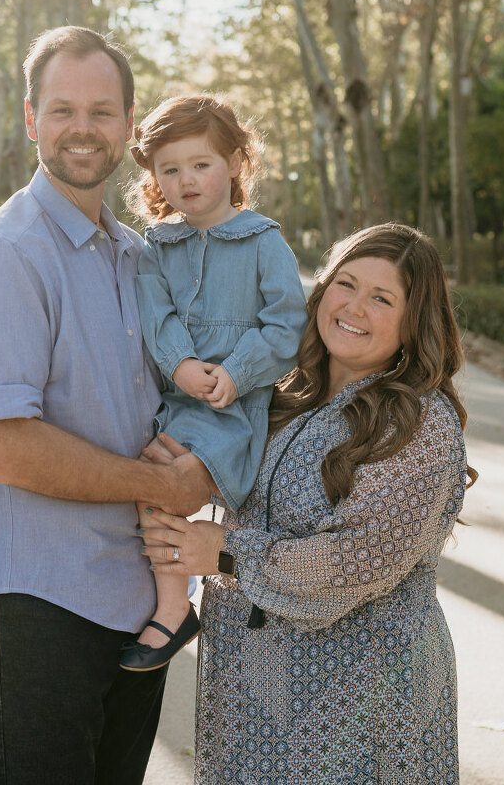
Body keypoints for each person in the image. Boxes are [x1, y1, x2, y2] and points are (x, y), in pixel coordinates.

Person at [0, 25, 217, 785]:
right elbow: (4, 446)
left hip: (133, 604)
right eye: (62, 110)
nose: (82, 128)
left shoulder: (139, 257)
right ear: (31, 120)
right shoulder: (5, 253)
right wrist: (163, 486)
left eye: (102, 111)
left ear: (128, 128)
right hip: (32, 603)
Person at [138, 222, 474, 784]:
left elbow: (355, 560)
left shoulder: (419, 422)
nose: (355, 307)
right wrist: (184, 469)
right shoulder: (281, 395)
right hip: (250, 697)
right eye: (345, 284)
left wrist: (222, 552)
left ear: (414, 322)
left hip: (362, 709)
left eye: (382, 298)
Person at [117, 94, 307, 672]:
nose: (186, 180)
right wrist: (178, 364)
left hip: (233, 410)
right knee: (150, 476)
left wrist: (235, 371)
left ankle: (173, 609)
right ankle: (176, 605)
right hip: (175, 402)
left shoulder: (262, 241)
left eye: (200, 164)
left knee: (162, 475)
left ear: (234, 163)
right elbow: (156, 315)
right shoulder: (157, 246)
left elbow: (286, 322)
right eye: (169, 170)